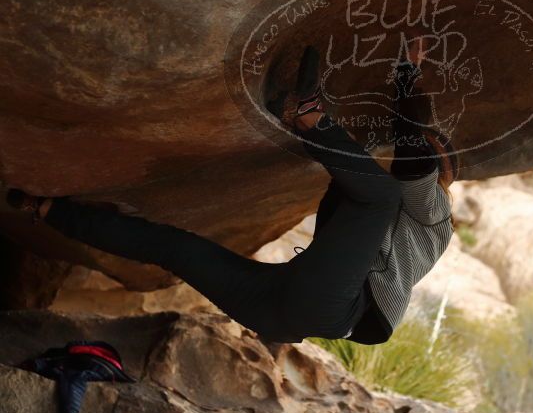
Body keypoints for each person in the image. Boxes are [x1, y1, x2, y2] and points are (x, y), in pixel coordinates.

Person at [6, 43, 457, 346]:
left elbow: (415, 154)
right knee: (171, 248)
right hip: (281, 314)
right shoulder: (378, 216)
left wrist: (407, 76)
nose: (414, 157)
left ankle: (307, 114)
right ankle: (46, 211)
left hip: (330, 307)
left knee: (378, 196)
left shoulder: (434, 215)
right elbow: (413, 154)